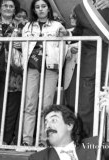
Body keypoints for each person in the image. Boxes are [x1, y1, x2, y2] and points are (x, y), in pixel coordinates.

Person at [64, 0, 109, 137]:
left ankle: (107, 140)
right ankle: (87, 141)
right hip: (87, 60)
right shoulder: (83, 7)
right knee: (85, 103)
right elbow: (80, 30)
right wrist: (67, 34)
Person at [29, 87, 109, 160]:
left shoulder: (94, 146)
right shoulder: (38, 158)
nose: (48, 126)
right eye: (46, 123)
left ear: (69, 125)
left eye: (54, 120)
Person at [21, 0, 68, 147]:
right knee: (29, 103)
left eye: (43, 6)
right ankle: (27, 140)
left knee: (47, 105)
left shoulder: (57, 26)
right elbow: (23, 46)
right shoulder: (27, 26)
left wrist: (65, 35)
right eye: (37, 7)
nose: (40, 9)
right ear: (34, 10)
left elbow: (64, 48)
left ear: (48, 9)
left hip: (50, 67)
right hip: (32, 67)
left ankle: (43, 140)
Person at [0, 0, 23, 145]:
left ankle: (6, 139)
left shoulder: (22, 26)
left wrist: (22, 44)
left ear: (15, 10)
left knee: (11, 107)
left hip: (14, 72)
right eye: (5, 6)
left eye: (11, 6)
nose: (8, 8)